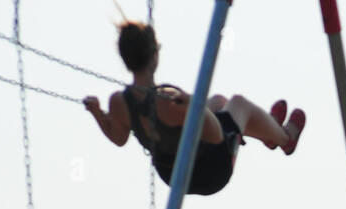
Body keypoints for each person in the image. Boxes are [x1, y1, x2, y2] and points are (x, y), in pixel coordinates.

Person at [83, 21, 305, 196]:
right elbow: (216, 135)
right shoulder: (170, 101)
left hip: (172, 174)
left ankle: (267, 129)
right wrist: (194, 106)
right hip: (209, 172)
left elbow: (119, 138)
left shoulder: (118, 102)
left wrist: (97, 114)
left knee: (218, 100)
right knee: (238, 104)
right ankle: (285, 138)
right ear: (154, 56)